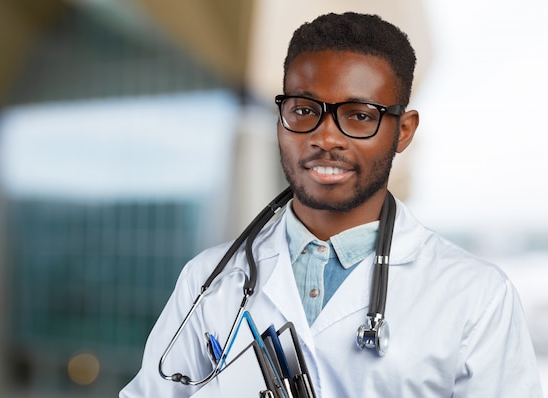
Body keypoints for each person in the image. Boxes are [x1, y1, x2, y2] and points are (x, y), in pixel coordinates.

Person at [119, 12, 542, 397]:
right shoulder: (209, 280)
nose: (325, 137)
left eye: (359, 115)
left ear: (403, 131)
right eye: (304, 110)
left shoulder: (476, 296)